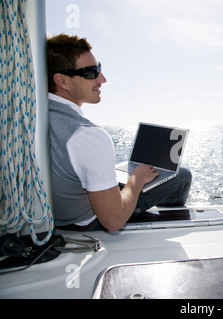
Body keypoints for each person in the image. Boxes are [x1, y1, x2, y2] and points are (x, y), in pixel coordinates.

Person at [47, 34, 192, 232]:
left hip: (56, 216)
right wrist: (136, 179)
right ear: (61, 81)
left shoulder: (33, 116)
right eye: (90, 72)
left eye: (99, 68)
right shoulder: (87, 135)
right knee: (182, 175)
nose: (102, 79)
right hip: (86, 222)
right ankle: (170, 223)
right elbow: (113, 222)